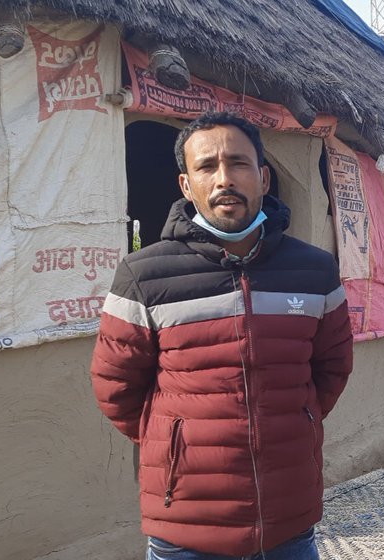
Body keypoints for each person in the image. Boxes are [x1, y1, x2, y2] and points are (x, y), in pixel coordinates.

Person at [91, 111, 353, 559]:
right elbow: (116, 387)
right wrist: (176, 440)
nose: (224, 179)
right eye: (206, 167)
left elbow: (331, 369)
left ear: (264, 178)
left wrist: (296, 420)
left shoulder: (315, 271)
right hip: (185, 527)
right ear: (186, 186)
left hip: (288, 519)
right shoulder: (144, 276)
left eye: (238, 163)